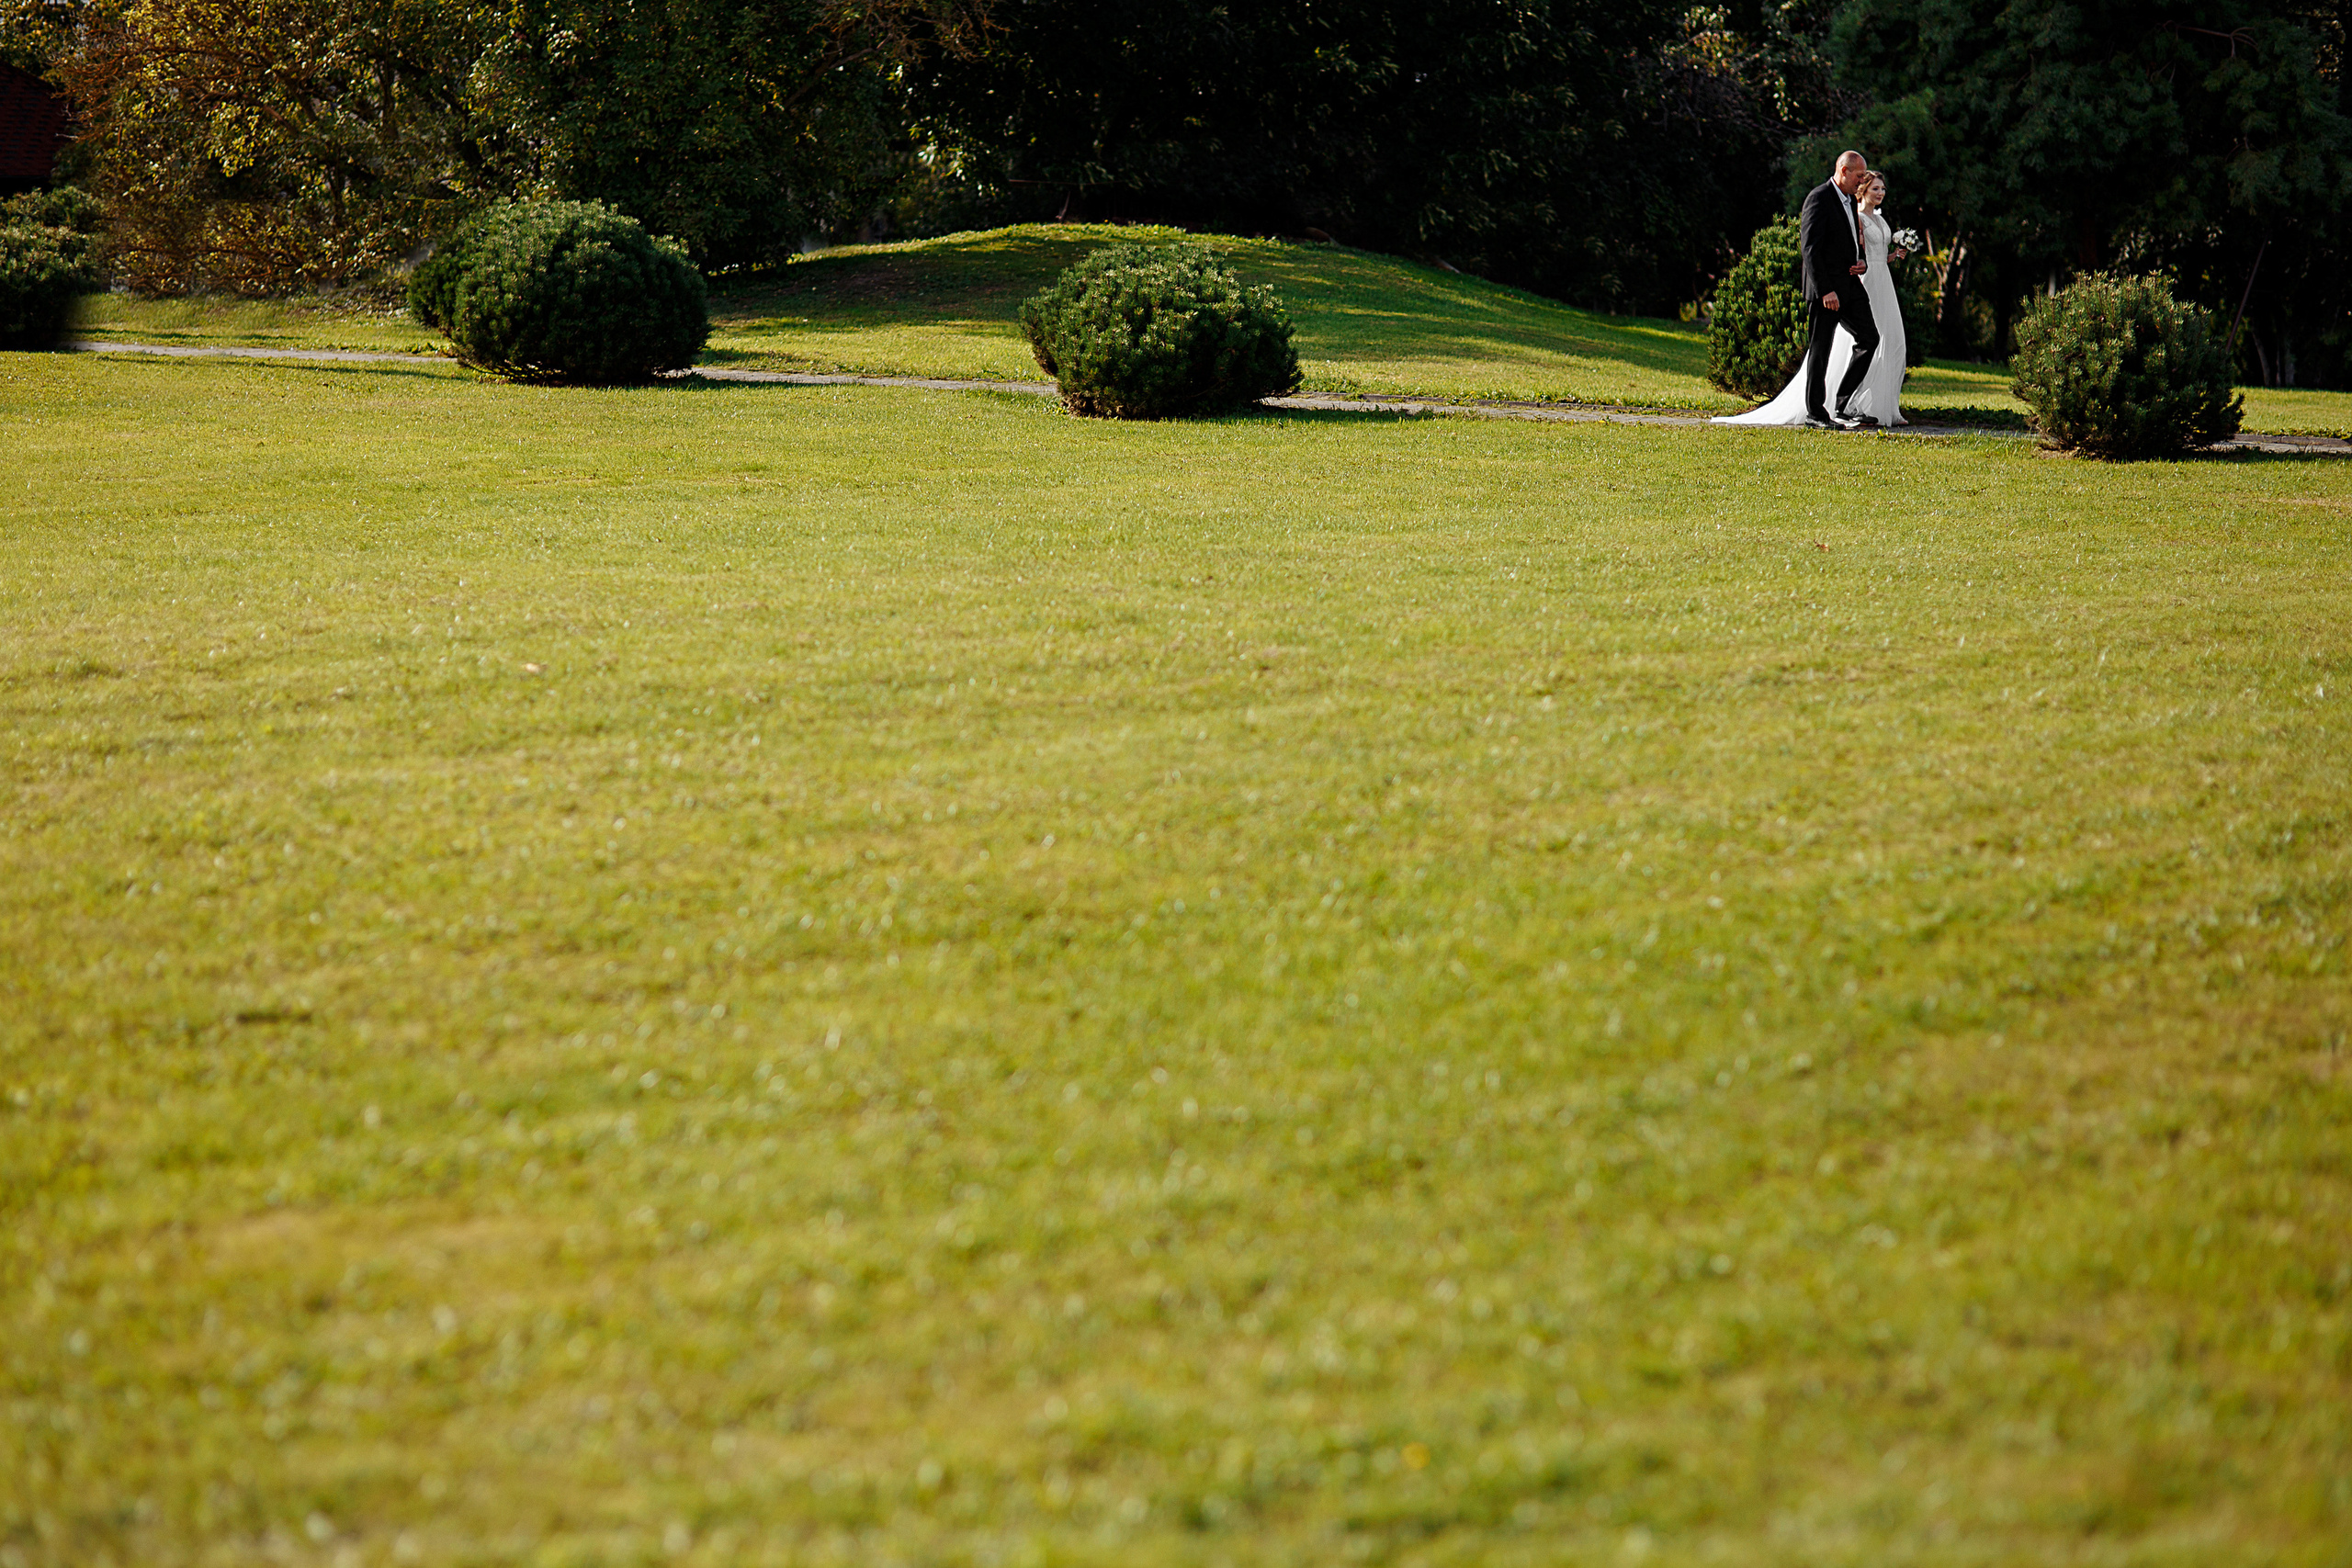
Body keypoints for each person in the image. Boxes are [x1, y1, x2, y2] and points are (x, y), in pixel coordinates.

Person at [1715, 151, 1907, 430]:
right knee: (1821, 348)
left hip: (1851, 285)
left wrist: (1860, 261)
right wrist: (1825, 290)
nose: (1862, 181)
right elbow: (1810, 249)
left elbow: (1851, 241)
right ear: (1843, 171)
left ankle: (1842, 403)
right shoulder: (1818, 198)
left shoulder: (1850, 203)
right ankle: (1815, 413)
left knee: (1870, 338)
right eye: (1858, 176)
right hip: (1826, 290)